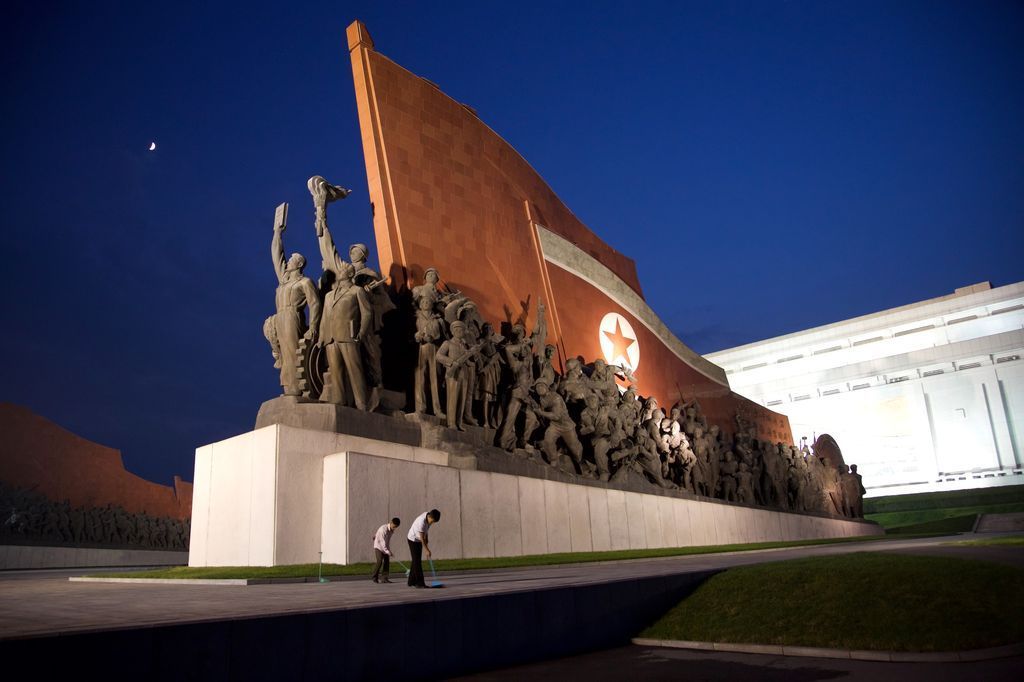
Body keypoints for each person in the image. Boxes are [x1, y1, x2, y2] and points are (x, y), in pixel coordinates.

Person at [407, 508, 440, 588]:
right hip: (413, 540)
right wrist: (427, 550)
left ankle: (411, 582)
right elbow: (422, 538)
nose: (432, 523)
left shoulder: (428, 516)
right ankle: (420, 583)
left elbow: (426, 531)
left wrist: (427, 541)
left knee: (415, 561)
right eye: (432, 521)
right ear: (430, 517)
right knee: (417, 562)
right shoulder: (421, 521)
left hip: (418, 540)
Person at [371, 517, 400, 583]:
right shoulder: (383, 529)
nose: (394, 528)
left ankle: (384, 578)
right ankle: (374, 577)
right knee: (380, 561)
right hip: (378, 546)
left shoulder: (391, 531)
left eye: (396, 527)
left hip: (384, 547)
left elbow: (387, 541)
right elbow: (382, 542)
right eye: (394, 526)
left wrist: (389, 551)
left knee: (387, 561)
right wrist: (388, 551)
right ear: (391, 522)